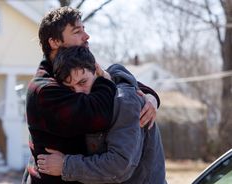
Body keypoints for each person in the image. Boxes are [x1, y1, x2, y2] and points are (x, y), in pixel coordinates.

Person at [24, 6, 161, 184]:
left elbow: (108, 87)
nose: (86, 36)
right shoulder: (45, 90)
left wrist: (149, 96)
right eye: (76, 31)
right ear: (54, 42)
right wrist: (111, 81)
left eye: (84, 30)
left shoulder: (69, 73)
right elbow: (100, 113)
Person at [36, 46, 167, 184]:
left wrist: (65, 165)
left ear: (97, 70)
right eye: (71, 88)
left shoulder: (125, 101)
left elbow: (120, 166)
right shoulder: (94, 104)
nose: (79, 92)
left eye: (83, 82)